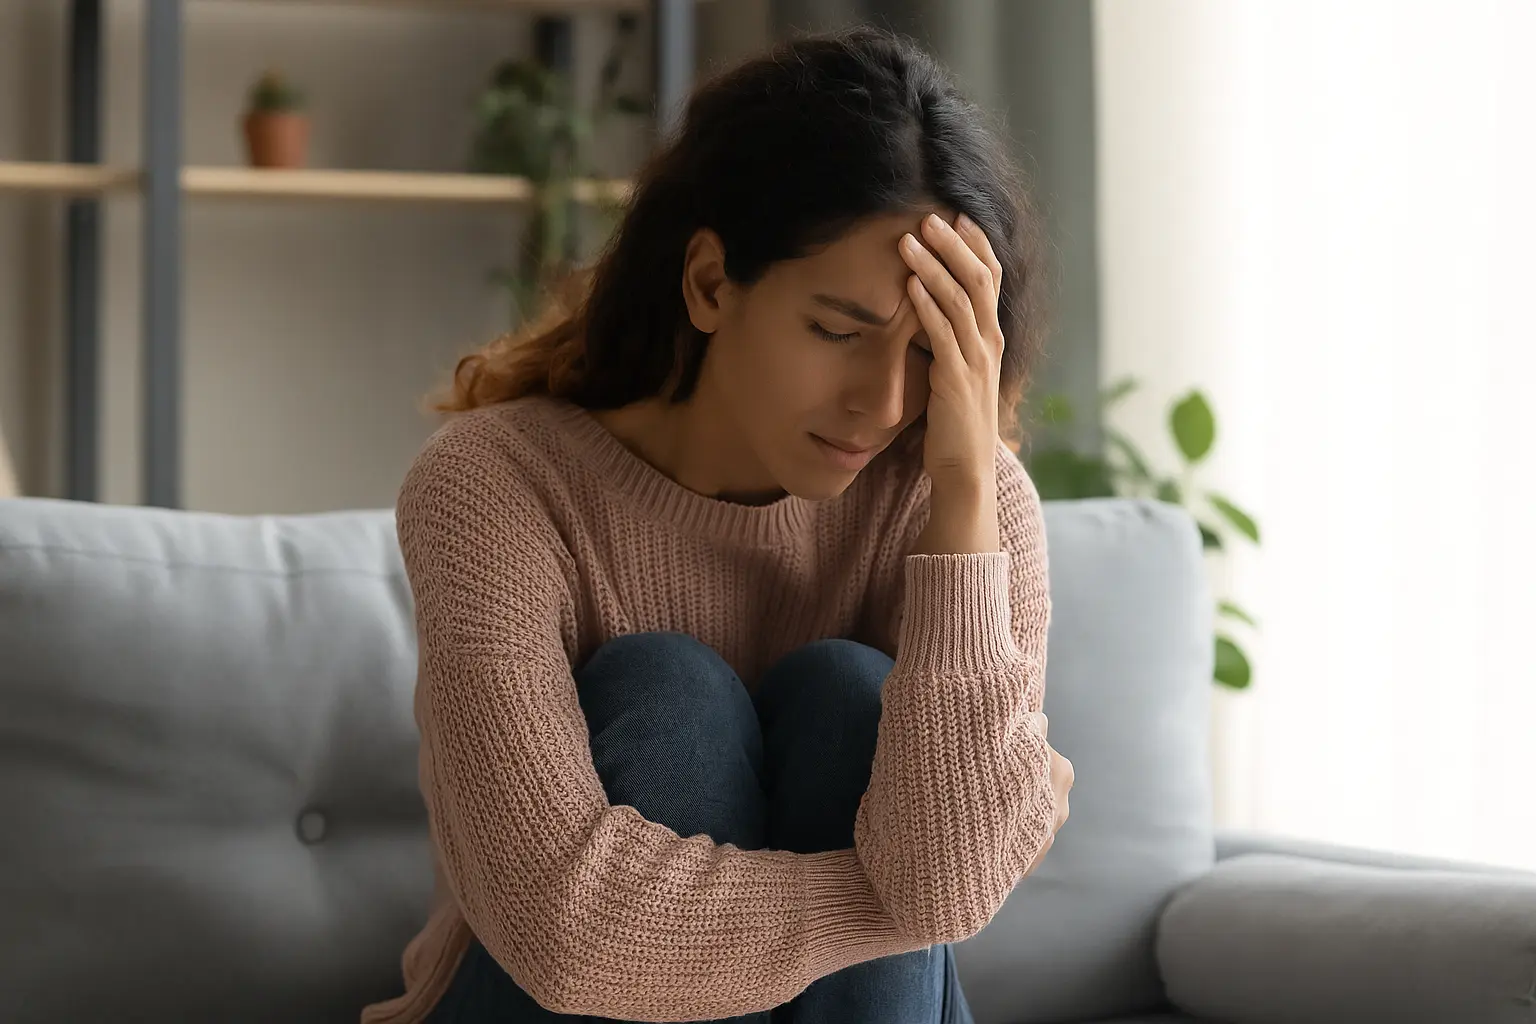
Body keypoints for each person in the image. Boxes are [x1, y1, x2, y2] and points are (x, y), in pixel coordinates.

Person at [361, 23, 1074, 1024]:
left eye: (930, 354)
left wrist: (961, 493)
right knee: (670, 685)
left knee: (848, 691)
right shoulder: (495, 485)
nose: (882, 403)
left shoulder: (963, 499)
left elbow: (946, 887)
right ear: (709, 284)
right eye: (838, 330)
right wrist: (892, 888)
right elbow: (569, 936)